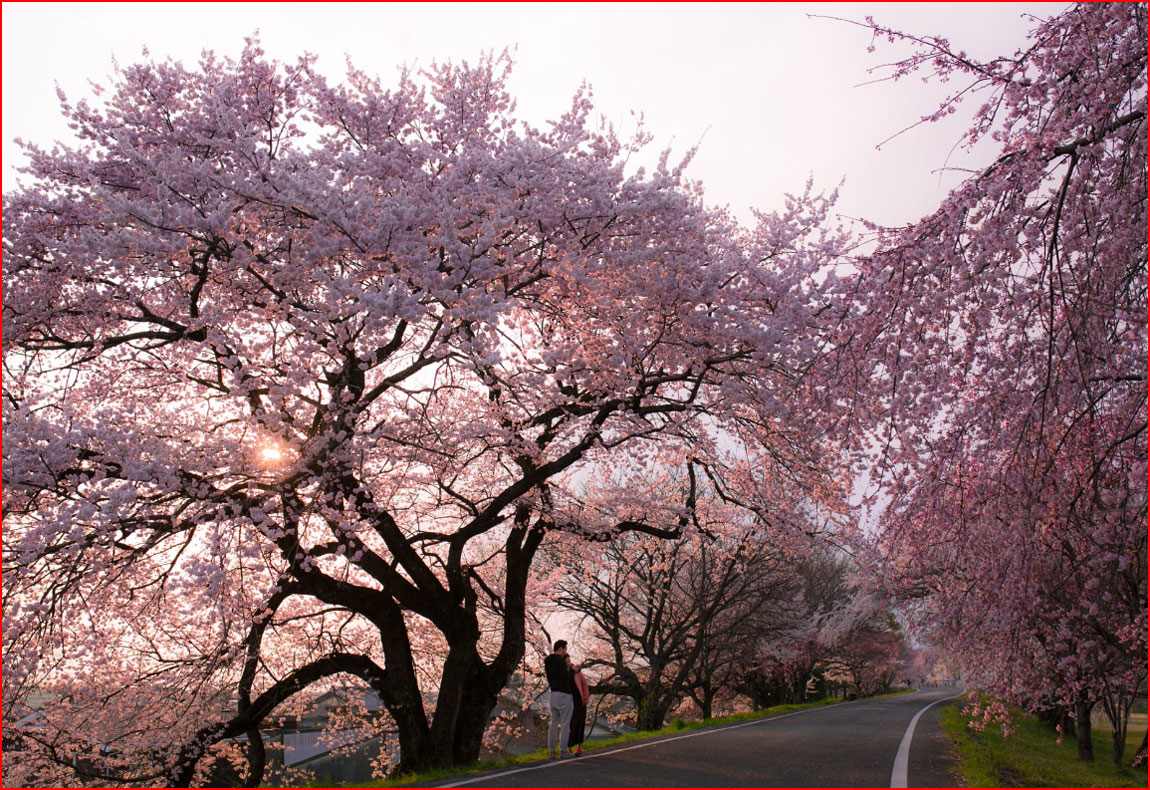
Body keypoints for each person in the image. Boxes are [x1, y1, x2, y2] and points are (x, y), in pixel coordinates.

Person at [544, 639, 577, 759]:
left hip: (553, 694)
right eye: (565, 649)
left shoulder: (548, 662)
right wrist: (572, 671)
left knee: (554, 723)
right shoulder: (560, 661)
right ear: (561, 649)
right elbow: (565, 677)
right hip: (564, 694)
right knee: (565, 723)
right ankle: (563, 750)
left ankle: (552, 751)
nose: (565, 652)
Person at [568, 656, 590, 755]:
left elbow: (584, 683)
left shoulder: (577, 671)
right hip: (569, 701)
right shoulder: (565, 672)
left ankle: (580, 747)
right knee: (571, 724)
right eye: (567, 661)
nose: (569, 663)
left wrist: (585, 697)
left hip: (579, 701)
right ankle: (569, 747)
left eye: (569, 661)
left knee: (580, 723)